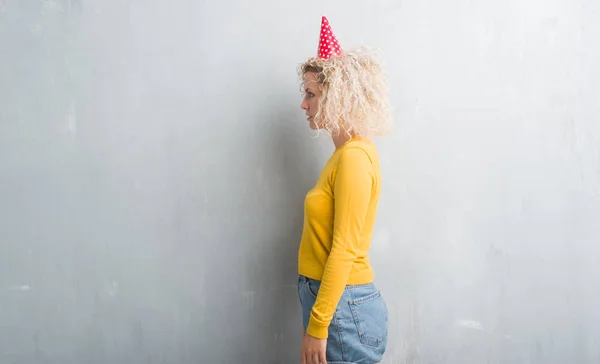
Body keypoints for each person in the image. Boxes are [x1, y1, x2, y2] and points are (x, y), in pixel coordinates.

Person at [296, 15, 392, 364]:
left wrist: (318, 326)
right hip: (334, 304)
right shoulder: (343, 156)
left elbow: (344, 249)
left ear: (336, 96)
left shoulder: (353, 157)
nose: (303, 104)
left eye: (311, 94)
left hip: (341, 310)